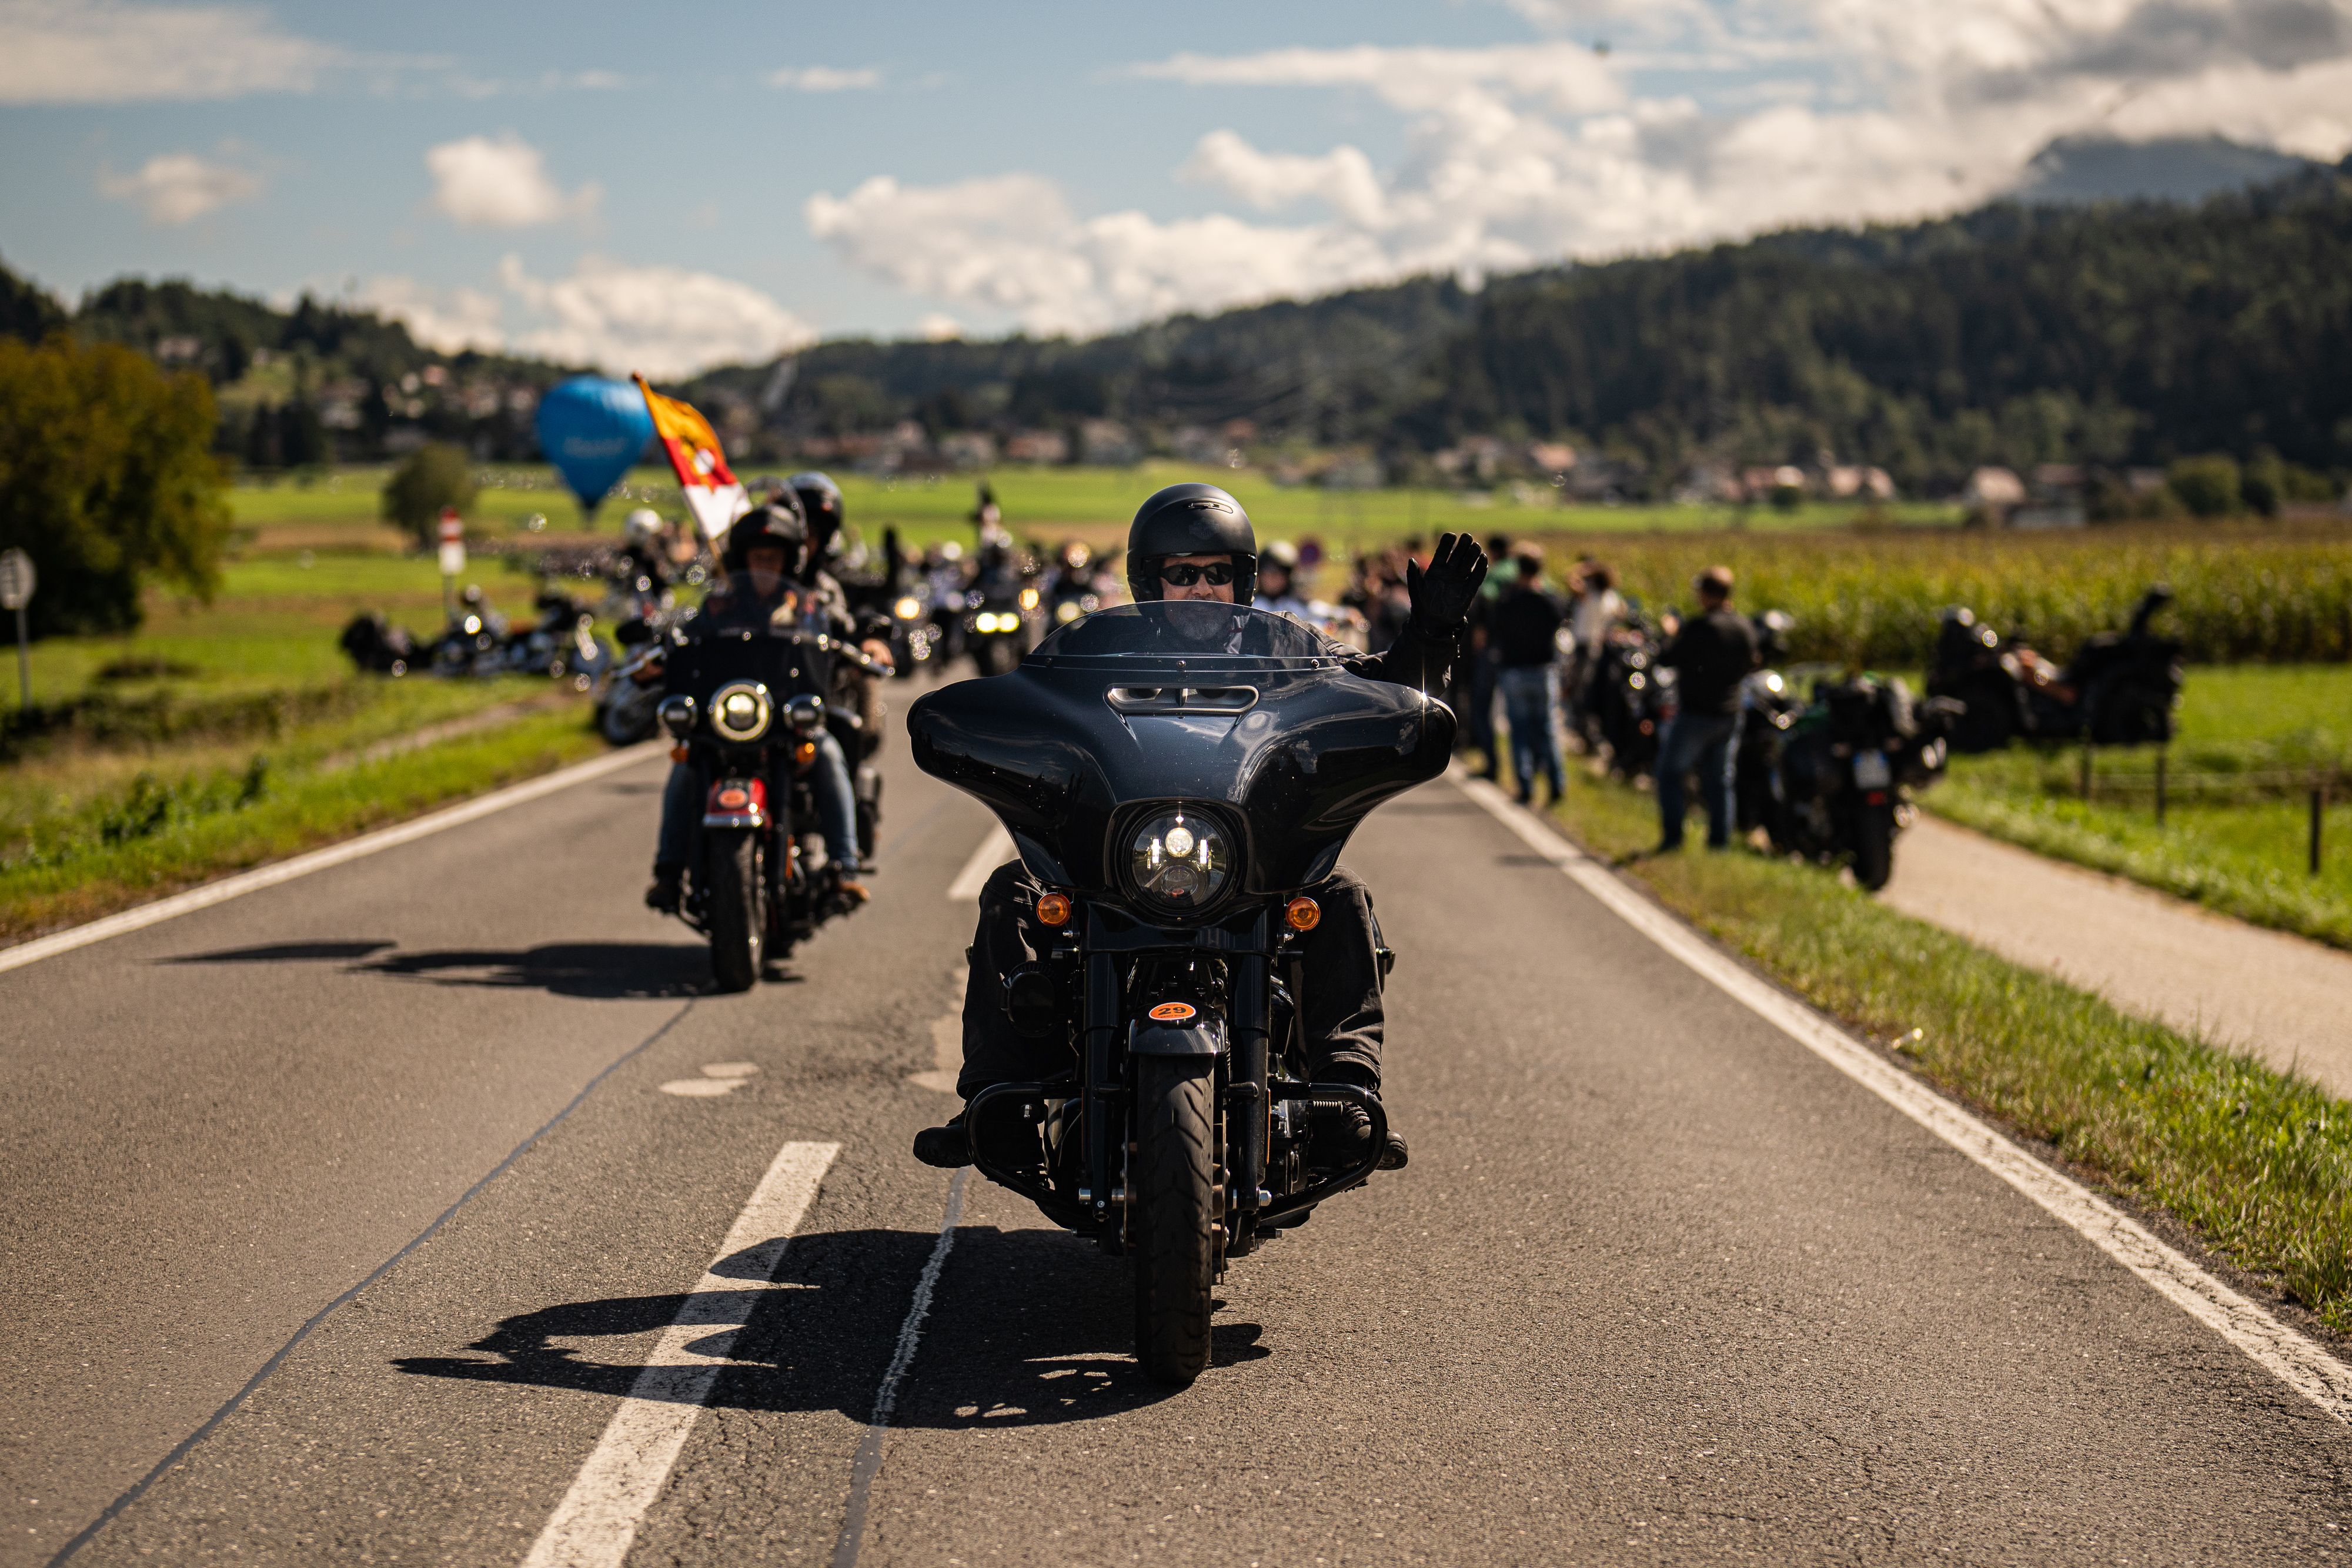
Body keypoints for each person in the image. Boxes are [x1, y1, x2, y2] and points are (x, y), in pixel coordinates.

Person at [911, 482, 1488, 1175]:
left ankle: (1346, 1095)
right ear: (1148, 581)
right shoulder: (1095, 654)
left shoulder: (1291, 651)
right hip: (1117, 860)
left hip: (1250, 863)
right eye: (1181, 574)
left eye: (1217, 572)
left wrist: (1432, 633)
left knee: (1339, 897)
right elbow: (1031, 702)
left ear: (1242, 580)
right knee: (1015, 891)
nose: (1201, 588)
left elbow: (1388, 695)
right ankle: (995, 1101)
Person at [644, 501, 883, 914]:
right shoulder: (720, 604)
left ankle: (844, 867)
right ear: (744, 559)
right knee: (686, 765)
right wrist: (657, 656)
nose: (765, 566)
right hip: (731, 717)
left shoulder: (809, 606)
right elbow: (687, 638)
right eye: (758, 557)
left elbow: (842, 632)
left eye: (773, 558)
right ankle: (668, 872)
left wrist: (863, 645)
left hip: (788, 717)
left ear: (789, 561)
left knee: (828, 754)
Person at [1654, 564, 1759, 851]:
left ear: (1706, 594)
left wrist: (1670, 633)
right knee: (1720, 781)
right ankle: (1719, 843)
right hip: (1730, 713)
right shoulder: (1744, 626)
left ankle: (1673, 838)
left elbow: (1668, 658)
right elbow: (1752, 663)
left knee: (1669, 773)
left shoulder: (1701, 627)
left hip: (1697, 714)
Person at [1493, 545, 1568, 805]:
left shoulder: (1508, 599)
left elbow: (1496, 628)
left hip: (1514, 670)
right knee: (1547, 729)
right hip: (1543, 670)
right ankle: (1556, 783)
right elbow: (1562, 619)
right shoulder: (1549, 599)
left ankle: (1525, 785)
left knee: (1519, 731)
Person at [1252, 539, 1311, 618]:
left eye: (1278, 572)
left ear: (1288, 576)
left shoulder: (1301, 609)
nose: (1271, 577)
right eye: (1266, 571)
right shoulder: (1251, 606)